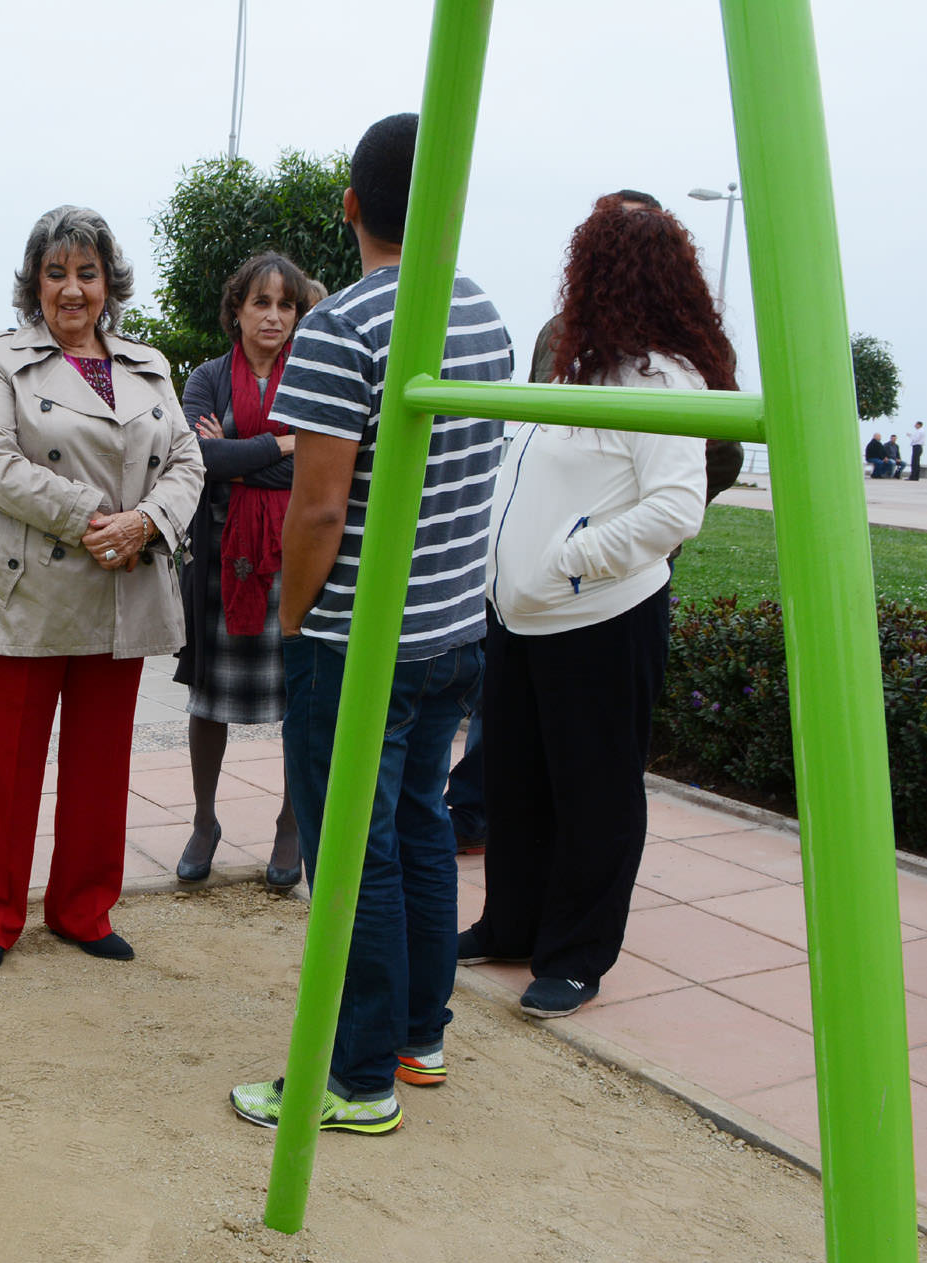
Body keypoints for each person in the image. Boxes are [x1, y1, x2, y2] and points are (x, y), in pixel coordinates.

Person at [228, 113, 511, 1134]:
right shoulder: (481, 314)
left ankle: (355, 1076)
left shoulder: (340, 328)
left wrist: (291, 615)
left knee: (354, 851)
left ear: (350, 205)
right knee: (420, 825)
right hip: (451, 628)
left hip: (356, 638)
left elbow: (316, 509)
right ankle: (416, 1037)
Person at [461, 197, 725, 1020]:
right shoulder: (573, 367)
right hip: (522, 618)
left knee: (595, 793)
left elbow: (675, 509)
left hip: (600, 621)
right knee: (515, 781)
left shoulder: (663, 379)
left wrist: (567, 562)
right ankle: (511, 923)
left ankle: (575, 956)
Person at [0, 205, 204, 973]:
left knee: (100, 765)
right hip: (31, 589)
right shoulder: (1, 358)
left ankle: (83, 908)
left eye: (86, 273)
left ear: (107, 283)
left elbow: (187, 461)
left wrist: (146, 523)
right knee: (11, 764)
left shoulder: (148, 363)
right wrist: (95, 517)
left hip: (124, 583)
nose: (72, 288)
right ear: (34, 283)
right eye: (55, 272)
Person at [172, 250, 314, 890]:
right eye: (261, 302)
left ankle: (290, 824)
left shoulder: (310, 377)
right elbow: (197, 459)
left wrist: (236, 455)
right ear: (237, 309)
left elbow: (321, 466)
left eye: (286, 304)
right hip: (221, 561)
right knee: (209, 700)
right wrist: (281, 444)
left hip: (297, 559)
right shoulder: (207, 378)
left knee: (301, 701)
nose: (274, 316)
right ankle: (204, 821)